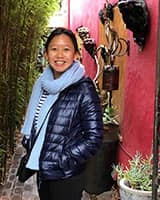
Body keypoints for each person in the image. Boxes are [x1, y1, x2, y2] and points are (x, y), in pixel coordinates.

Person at [20, 27, 104, 200]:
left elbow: (94, 137)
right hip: (42, 171)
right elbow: (36, 122)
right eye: (54, 49)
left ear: (76, 55)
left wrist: (64, 158)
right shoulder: (42, 85)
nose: (59, 55)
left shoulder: (84, 89)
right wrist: (29, 143)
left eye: (66, 49)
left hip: (66, 176)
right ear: (46, 54)